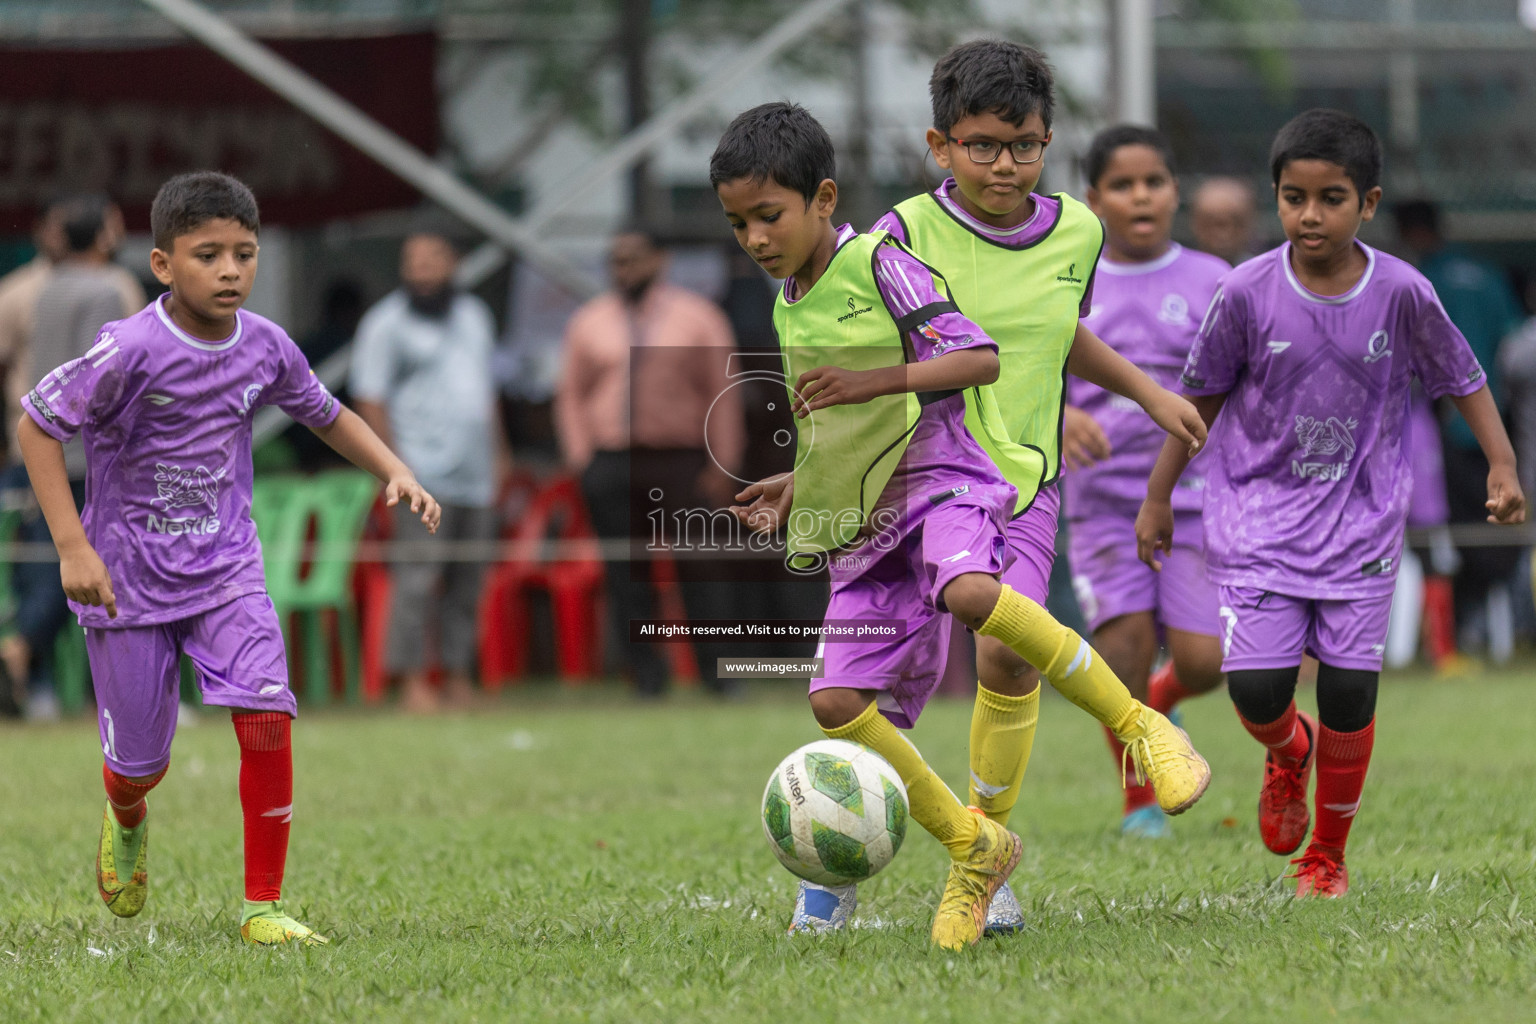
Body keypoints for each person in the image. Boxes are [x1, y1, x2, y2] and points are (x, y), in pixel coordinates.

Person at [712, 101, 1210, 949]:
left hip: (959, 476)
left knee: (987, 610)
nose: (756, 237)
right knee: (837, 698)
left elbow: (993, 352)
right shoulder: (810, 288)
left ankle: (1141, 729)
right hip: (867, 509)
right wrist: (802, 481)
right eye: (739, 223)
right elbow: (840, 415)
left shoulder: (898, 259)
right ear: (941, 145)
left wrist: (1147, 392)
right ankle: (972, 848)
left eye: (769, 216)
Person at [17, 171, 441, 945]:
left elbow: (327, 412)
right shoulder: (128, 348)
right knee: (141, 764)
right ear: (162, 264)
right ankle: (127, 812)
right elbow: (39, 426)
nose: (230, 271)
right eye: (207, 255)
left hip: (226, 571)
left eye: (243, 254)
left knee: (267, 713)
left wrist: (394, 470)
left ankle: (262, 906)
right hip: (127, 582)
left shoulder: (267, 345)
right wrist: (73, 550)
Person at [1136, 110, 1525, 898]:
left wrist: (1503, 465)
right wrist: (1158, 496)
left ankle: (1328, 857)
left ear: (1368, 203)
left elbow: (1463, 377)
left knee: (1350, 695)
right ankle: (1288, 753)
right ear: (1276, 199)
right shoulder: (1245, 293)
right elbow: (1196, 400)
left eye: (1331, 198)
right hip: (1255, 522)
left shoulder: (1403, 291)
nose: (1310, 215)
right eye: (1293, 197)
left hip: (1362, 526)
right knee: (1256, 692)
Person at [872, 39, 1212, 932]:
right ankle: (823, 883)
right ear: (941, 145)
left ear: (1048, 141)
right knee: (871, 685)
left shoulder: (1079, 229)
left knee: (1007, 652)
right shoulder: (898, 236)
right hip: (919, 481)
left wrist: (1146, 389)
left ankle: (984, 862)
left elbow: (1059, 334)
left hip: (1024, 481)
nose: (1004, 164)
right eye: (982, 145)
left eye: (1024, 144)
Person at [1063, 125, 1229, 838]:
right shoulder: (1068, 280)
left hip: (1194, 502)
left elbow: (1237, 384)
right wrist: (1062, 412)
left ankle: (1165, 699)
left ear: (1173, 192)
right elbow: (1019, 364)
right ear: (1095, 198)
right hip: (1103, 504)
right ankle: (1141, 804)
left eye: (1153, 182)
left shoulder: (1213, 280)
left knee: (1206, 661)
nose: (1140, 196)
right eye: (1123, 185)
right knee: (1122, 650)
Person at [554, 228, 744, 697]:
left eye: (635, 259)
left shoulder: (697, 317)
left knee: (699, 570)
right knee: (627, 574)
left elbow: (723, 393)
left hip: (679, 461)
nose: (626, 269)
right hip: (612, 462)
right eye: (618, 261)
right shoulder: (589, 321)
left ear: (659, 260)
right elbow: (572, 396)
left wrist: (723, 465)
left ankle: (717, 676)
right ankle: (646, 677)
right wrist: (583, 460)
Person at [1, 195, 145, 720]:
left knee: (45, 567)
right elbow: (107, 374)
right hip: (92, 456)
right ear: (104, 237)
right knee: (99, 570)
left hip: (40, 445)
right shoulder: (110, 289)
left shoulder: (44, 289)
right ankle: (23, 653)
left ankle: (31, 668)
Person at [351, 232, 503, 713]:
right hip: (422, 476)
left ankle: (458, 674)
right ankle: (413, 681)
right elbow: (368, 399)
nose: (422, 271)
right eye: (413, 262)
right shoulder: (385, 324)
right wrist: (397, 469)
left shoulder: (475, 316)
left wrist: (500, 453)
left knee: (467, 580)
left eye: (433, 260)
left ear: (454, 263)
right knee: (417, 580)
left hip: (476, 475)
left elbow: (485, 393)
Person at [1394, 199, 1527, 659]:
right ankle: (1483, 628)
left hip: (1436, 432)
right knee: (1489, 528)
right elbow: (1512, 348)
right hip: (1493, 427)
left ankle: (1466, 629)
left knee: (1448, 533)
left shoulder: (1414, 283)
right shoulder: (1485, 275)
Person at [1189, 176, 1260, 265]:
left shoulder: (1265, 274)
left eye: (1236, 223)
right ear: (1196, 224)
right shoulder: (1181, 274)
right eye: (1213, 223)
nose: (1223, 235)